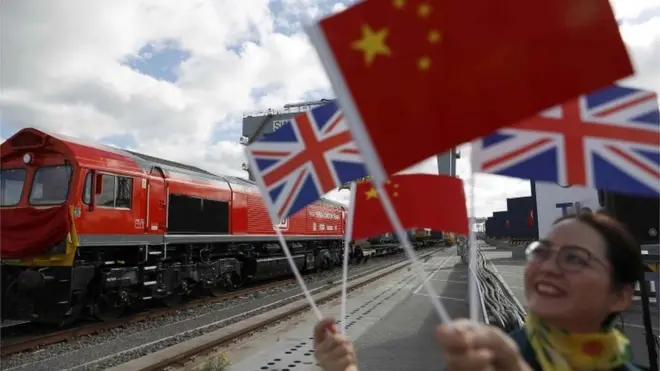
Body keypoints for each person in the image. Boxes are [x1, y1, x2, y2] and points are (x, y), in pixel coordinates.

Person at [313, 211, 649, 371]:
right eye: (541, 251)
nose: (547, 266)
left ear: (621, 295)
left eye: (575, 258)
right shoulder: (487, 354)